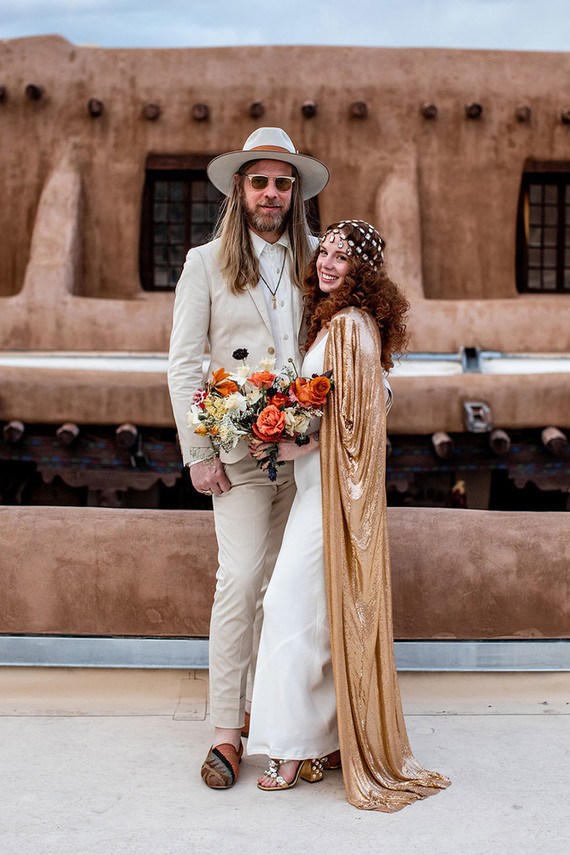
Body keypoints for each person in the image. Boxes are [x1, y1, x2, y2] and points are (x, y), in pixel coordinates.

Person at [248, 220, 451, 811]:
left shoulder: (350, 327)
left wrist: (295, 441)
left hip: (333, 498)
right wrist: (290, 427)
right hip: (318, 493)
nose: (328, 263)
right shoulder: (339, 323)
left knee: (289, 605)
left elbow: (360, 417)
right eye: (325, 254)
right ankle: (317, 741)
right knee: (314, 616)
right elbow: (347, 403)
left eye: (342, 256)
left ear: (364, 270)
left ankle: (287, 751)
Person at [167, 127, 329, 789]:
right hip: (236, 453)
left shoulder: (321, 259)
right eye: (260, 181)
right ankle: (226, 732)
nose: (271, 193)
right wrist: (197, 452)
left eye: (282, 182)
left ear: (296, 193)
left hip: (308, 455)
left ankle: (288, 726)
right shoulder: (204, 263)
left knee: (294, 594)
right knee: (238, 582)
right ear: (241, 187)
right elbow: (183, 366)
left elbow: (348, 344)